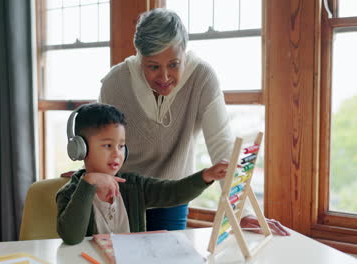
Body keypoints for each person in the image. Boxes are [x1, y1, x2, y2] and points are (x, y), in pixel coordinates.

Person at [98, 8, 290, 235]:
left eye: (173, 64)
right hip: (121, 195)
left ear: (184, 54)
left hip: (174, 195)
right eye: (153, 66)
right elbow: (99, 143)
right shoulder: (114, 82)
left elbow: (222, 147)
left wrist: (243, 211)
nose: (164, 77)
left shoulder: (202, 78)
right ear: (140, 58)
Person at [56, 103, 229, 245]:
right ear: (80, 149)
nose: (117, 154)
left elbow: (173, 192)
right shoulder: (69, 193)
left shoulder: (134, 186)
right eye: (108, 146)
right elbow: (72, 237)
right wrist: (89, 182)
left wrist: (207, 175)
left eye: (121, 146)